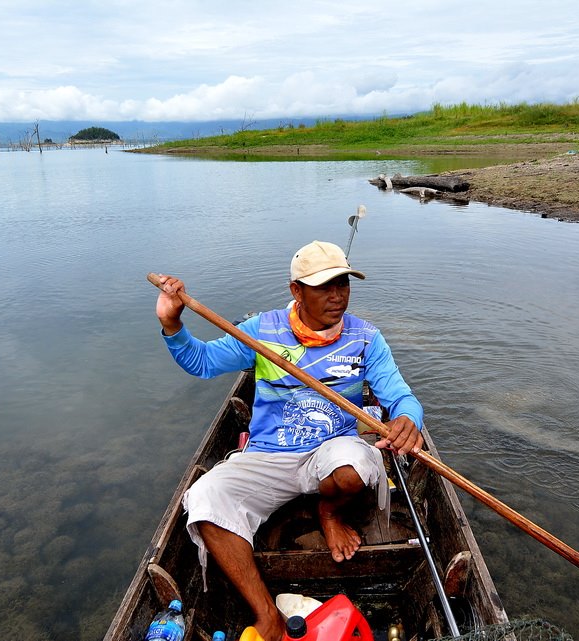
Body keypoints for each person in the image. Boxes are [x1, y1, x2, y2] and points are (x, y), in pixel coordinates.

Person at [156, 240, 424, 641]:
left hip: (331, 451)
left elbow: (399, 394)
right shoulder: (261, 331)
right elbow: (204, 361)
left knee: (355, 468)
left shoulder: (366, 339)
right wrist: (173, 325)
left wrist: (408, 418)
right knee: (206, 497)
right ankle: (267, 616)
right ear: (296, 290)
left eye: (343, 285)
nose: (337, 297)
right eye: (324, 287)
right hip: (269, 454)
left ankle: (329, 513)